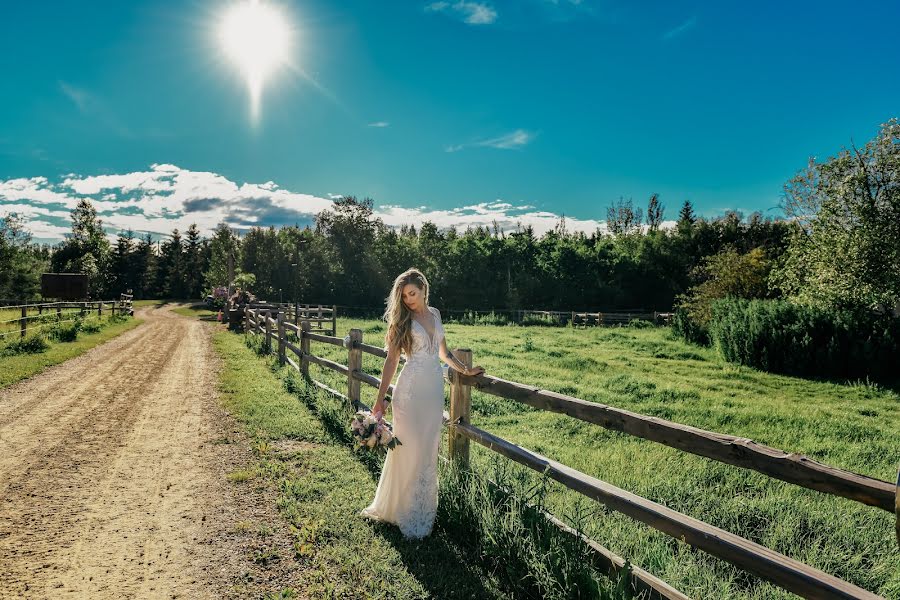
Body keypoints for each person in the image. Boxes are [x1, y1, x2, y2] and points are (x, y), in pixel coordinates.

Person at [360, 268, 484, 538]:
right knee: (408, 448)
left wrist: (464, 370)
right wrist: (380, 400)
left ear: (424, 289)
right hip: (409, 391)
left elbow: (444, 353)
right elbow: (392, 361)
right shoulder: (401, 321)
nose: (409, 300)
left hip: (432, 391)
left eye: (412, 294)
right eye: (404, 296)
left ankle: (421, 510)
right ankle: (399, 509)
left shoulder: (436, 314)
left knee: (428, 448)